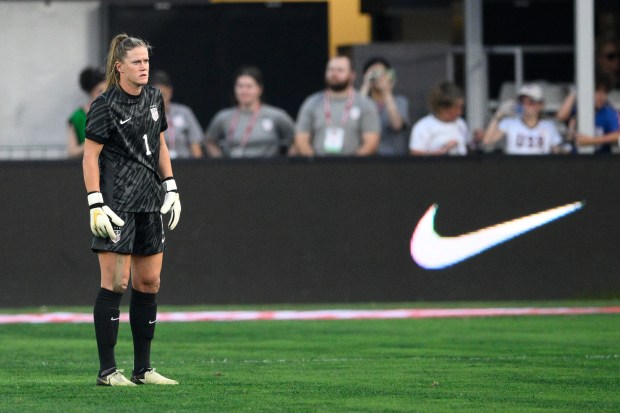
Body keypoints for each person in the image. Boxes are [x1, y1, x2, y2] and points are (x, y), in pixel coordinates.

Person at [83, 33, 181, 387]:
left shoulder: (155, 97)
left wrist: (169, 184)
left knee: (149, 282)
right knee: (115, 282)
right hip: (116, 204)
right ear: (119, 66)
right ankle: (108, 371)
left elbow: (160, 143)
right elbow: (90, 156)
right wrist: (95, 201)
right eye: (137, 62)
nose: (144, 68)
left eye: (147, 62)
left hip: (149, 201)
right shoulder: (105, 104)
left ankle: (144, 369)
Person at [294, 55, 380, 156]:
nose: (334, 74)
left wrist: (349, 166)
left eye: (340, 70)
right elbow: (301, 140)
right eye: (330, 70)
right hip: (318, 167)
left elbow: (371, 143)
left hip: (353, 168)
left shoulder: (365, 104)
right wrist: (315, 164)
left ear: (352, 75)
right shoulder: (311, 103)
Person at [204, 66, 295, 158]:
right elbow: (209, 141)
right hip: (234, 169)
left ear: (259, 89)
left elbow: (296, 139)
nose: (244, 91)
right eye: (240, 86)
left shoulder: (276, 115)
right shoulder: (223, 117)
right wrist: (220, 163)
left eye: (249, 87)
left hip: (267, 169)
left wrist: (287, 164)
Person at [482, 83, 565, 155]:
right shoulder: (509, 123)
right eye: (522, 102)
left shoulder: (549, 126)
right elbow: (487, 141)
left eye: (531, 103)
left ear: (541, 105)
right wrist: (498, 114)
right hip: (515, 169)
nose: (526, 106)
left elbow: (558, 150)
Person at [556, 72, 620, 154]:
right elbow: (561, 116)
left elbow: (618, 135)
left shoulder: (608, 112)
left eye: (604, 92)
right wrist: (576, 91)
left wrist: (591, 140)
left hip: (600, 162)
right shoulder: (579, 109)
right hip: (575, 161)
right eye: (597, 91)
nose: (601, 96)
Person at [359, 57, 410, 156]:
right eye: (374, 73)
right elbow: (354, 115)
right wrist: (366, 84)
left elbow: (397, 125)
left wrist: (386, 91)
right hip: (366, 157)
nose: (378, 77)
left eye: (382, 73)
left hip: (392, 158)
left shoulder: (400, 101)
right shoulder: (362, 99)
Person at [151, 70, 204, 159]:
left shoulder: (184, 112)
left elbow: (195, 146)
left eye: (163, 95)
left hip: (184, 165)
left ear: (170, 92)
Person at [409, 81, 469, 156]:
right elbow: (416, 155)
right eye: (455, 108)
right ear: (442, 108)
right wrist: (443, 150)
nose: (459, 112)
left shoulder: (461, 123)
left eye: (460, 107)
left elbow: (466, 147)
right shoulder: (423, 127)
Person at [67, 67, 105, 158]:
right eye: (99, 91)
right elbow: (72, 152)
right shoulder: (78, 117)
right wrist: (92, 143)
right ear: (91, 92)